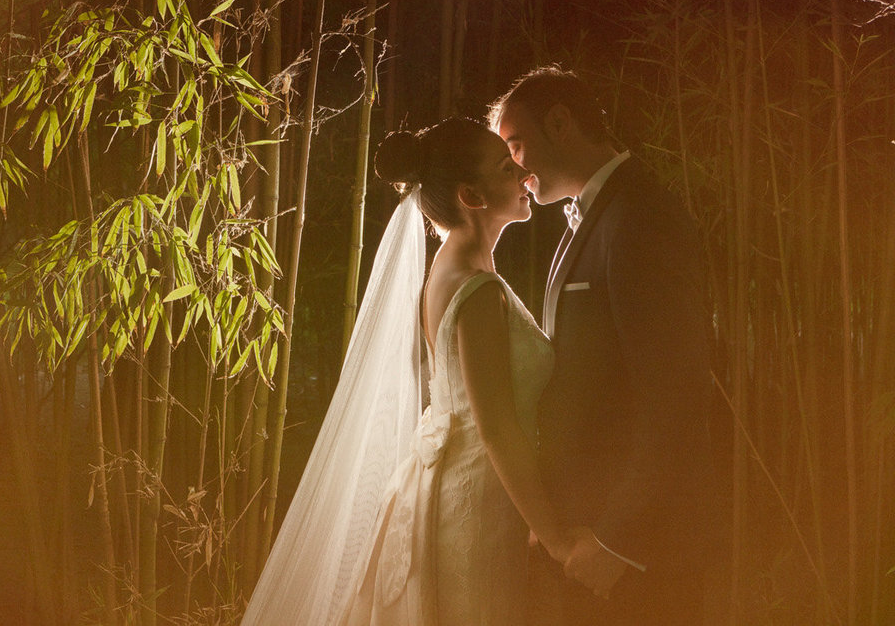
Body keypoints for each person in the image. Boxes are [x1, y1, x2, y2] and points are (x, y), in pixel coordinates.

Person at [242, 117, 573, 626]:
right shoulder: (478, 289)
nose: (525, 175)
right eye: (508, 168)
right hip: (474, 505)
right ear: (472, 194)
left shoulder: (447, 267)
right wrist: (554, 536)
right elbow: (496, 428)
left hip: (443, 487)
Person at [490, 65, 715, 626]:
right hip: (580, 528)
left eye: (515, 146)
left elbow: (677, 395)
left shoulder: (641, 216)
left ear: (561, 123)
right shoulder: (587, 218)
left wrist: (619, 540)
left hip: (634, 550)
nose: (512, 169)